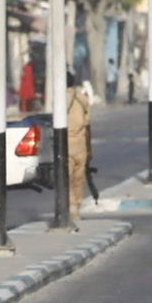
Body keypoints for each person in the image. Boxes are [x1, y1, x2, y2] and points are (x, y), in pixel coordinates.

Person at [65, 72, 92, 219]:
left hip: (66, 142)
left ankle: (71, 207)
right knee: (78, 178)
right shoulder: (83, 99)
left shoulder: (60, 99)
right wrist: (89, 149)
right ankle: (76, 207)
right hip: (81, 143)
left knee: (65, 178)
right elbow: (88, 125)